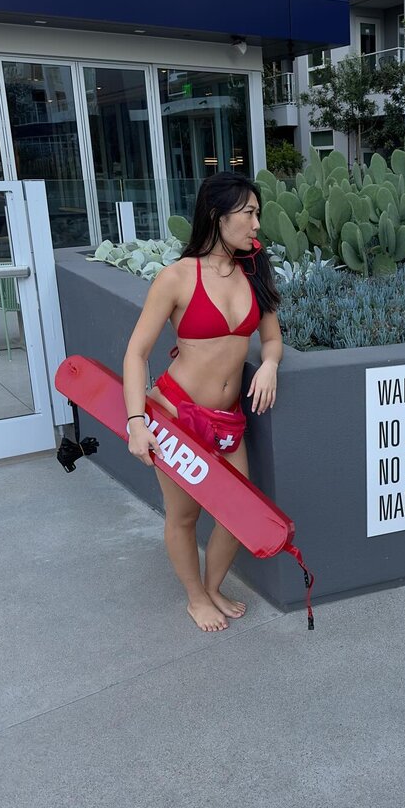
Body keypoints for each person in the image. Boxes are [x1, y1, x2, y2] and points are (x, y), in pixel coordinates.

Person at [123, 172, 282, 632]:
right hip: (176, 416)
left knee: (236, 513)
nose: (257, 224)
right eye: (249, 213)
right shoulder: (176, 277)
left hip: (228, 421)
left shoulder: (254, 271)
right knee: (184, 515)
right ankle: (196, 599)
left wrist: (269, 365)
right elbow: (135, 353)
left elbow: (272, 339)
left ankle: (212, 588)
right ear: (217, 215)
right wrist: (137, 421)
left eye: (258, 214)